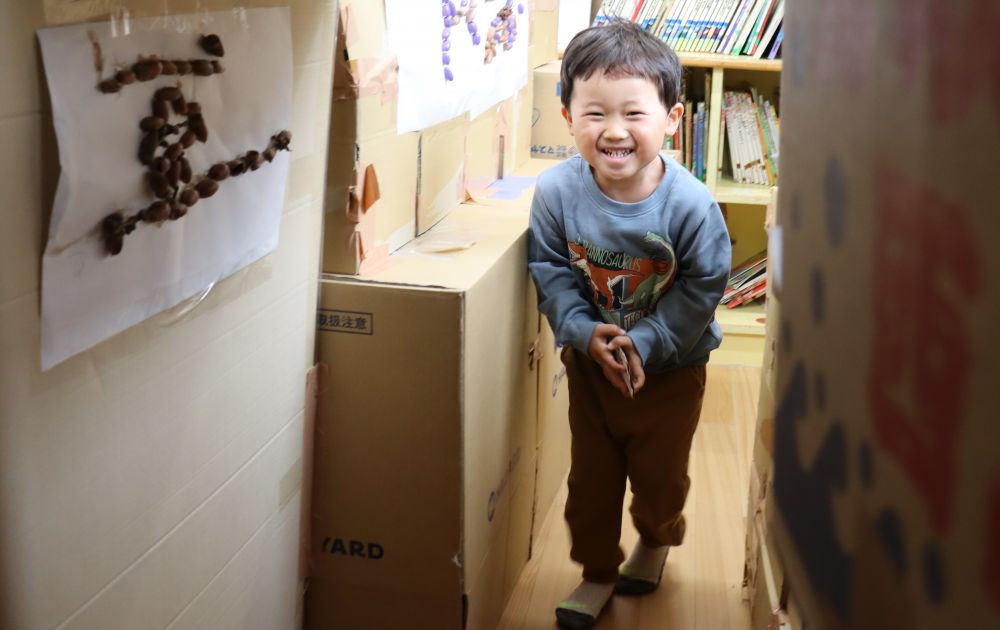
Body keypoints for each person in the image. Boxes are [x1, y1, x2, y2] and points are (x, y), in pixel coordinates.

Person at [527, 19, 732, 629]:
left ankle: (657, 538)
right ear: (566, 116)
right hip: (591, 368)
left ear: (672, 118)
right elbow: (550, 267)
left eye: (634, 114)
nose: (613, 131)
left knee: (659, 482)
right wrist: (582, 332)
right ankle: (595, 571)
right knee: (590, 483)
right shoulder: (556, 192)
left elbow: (703, 288)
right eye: (594, 113)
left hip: (670, 373)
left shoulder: (692, 205)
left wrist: (645, 340)